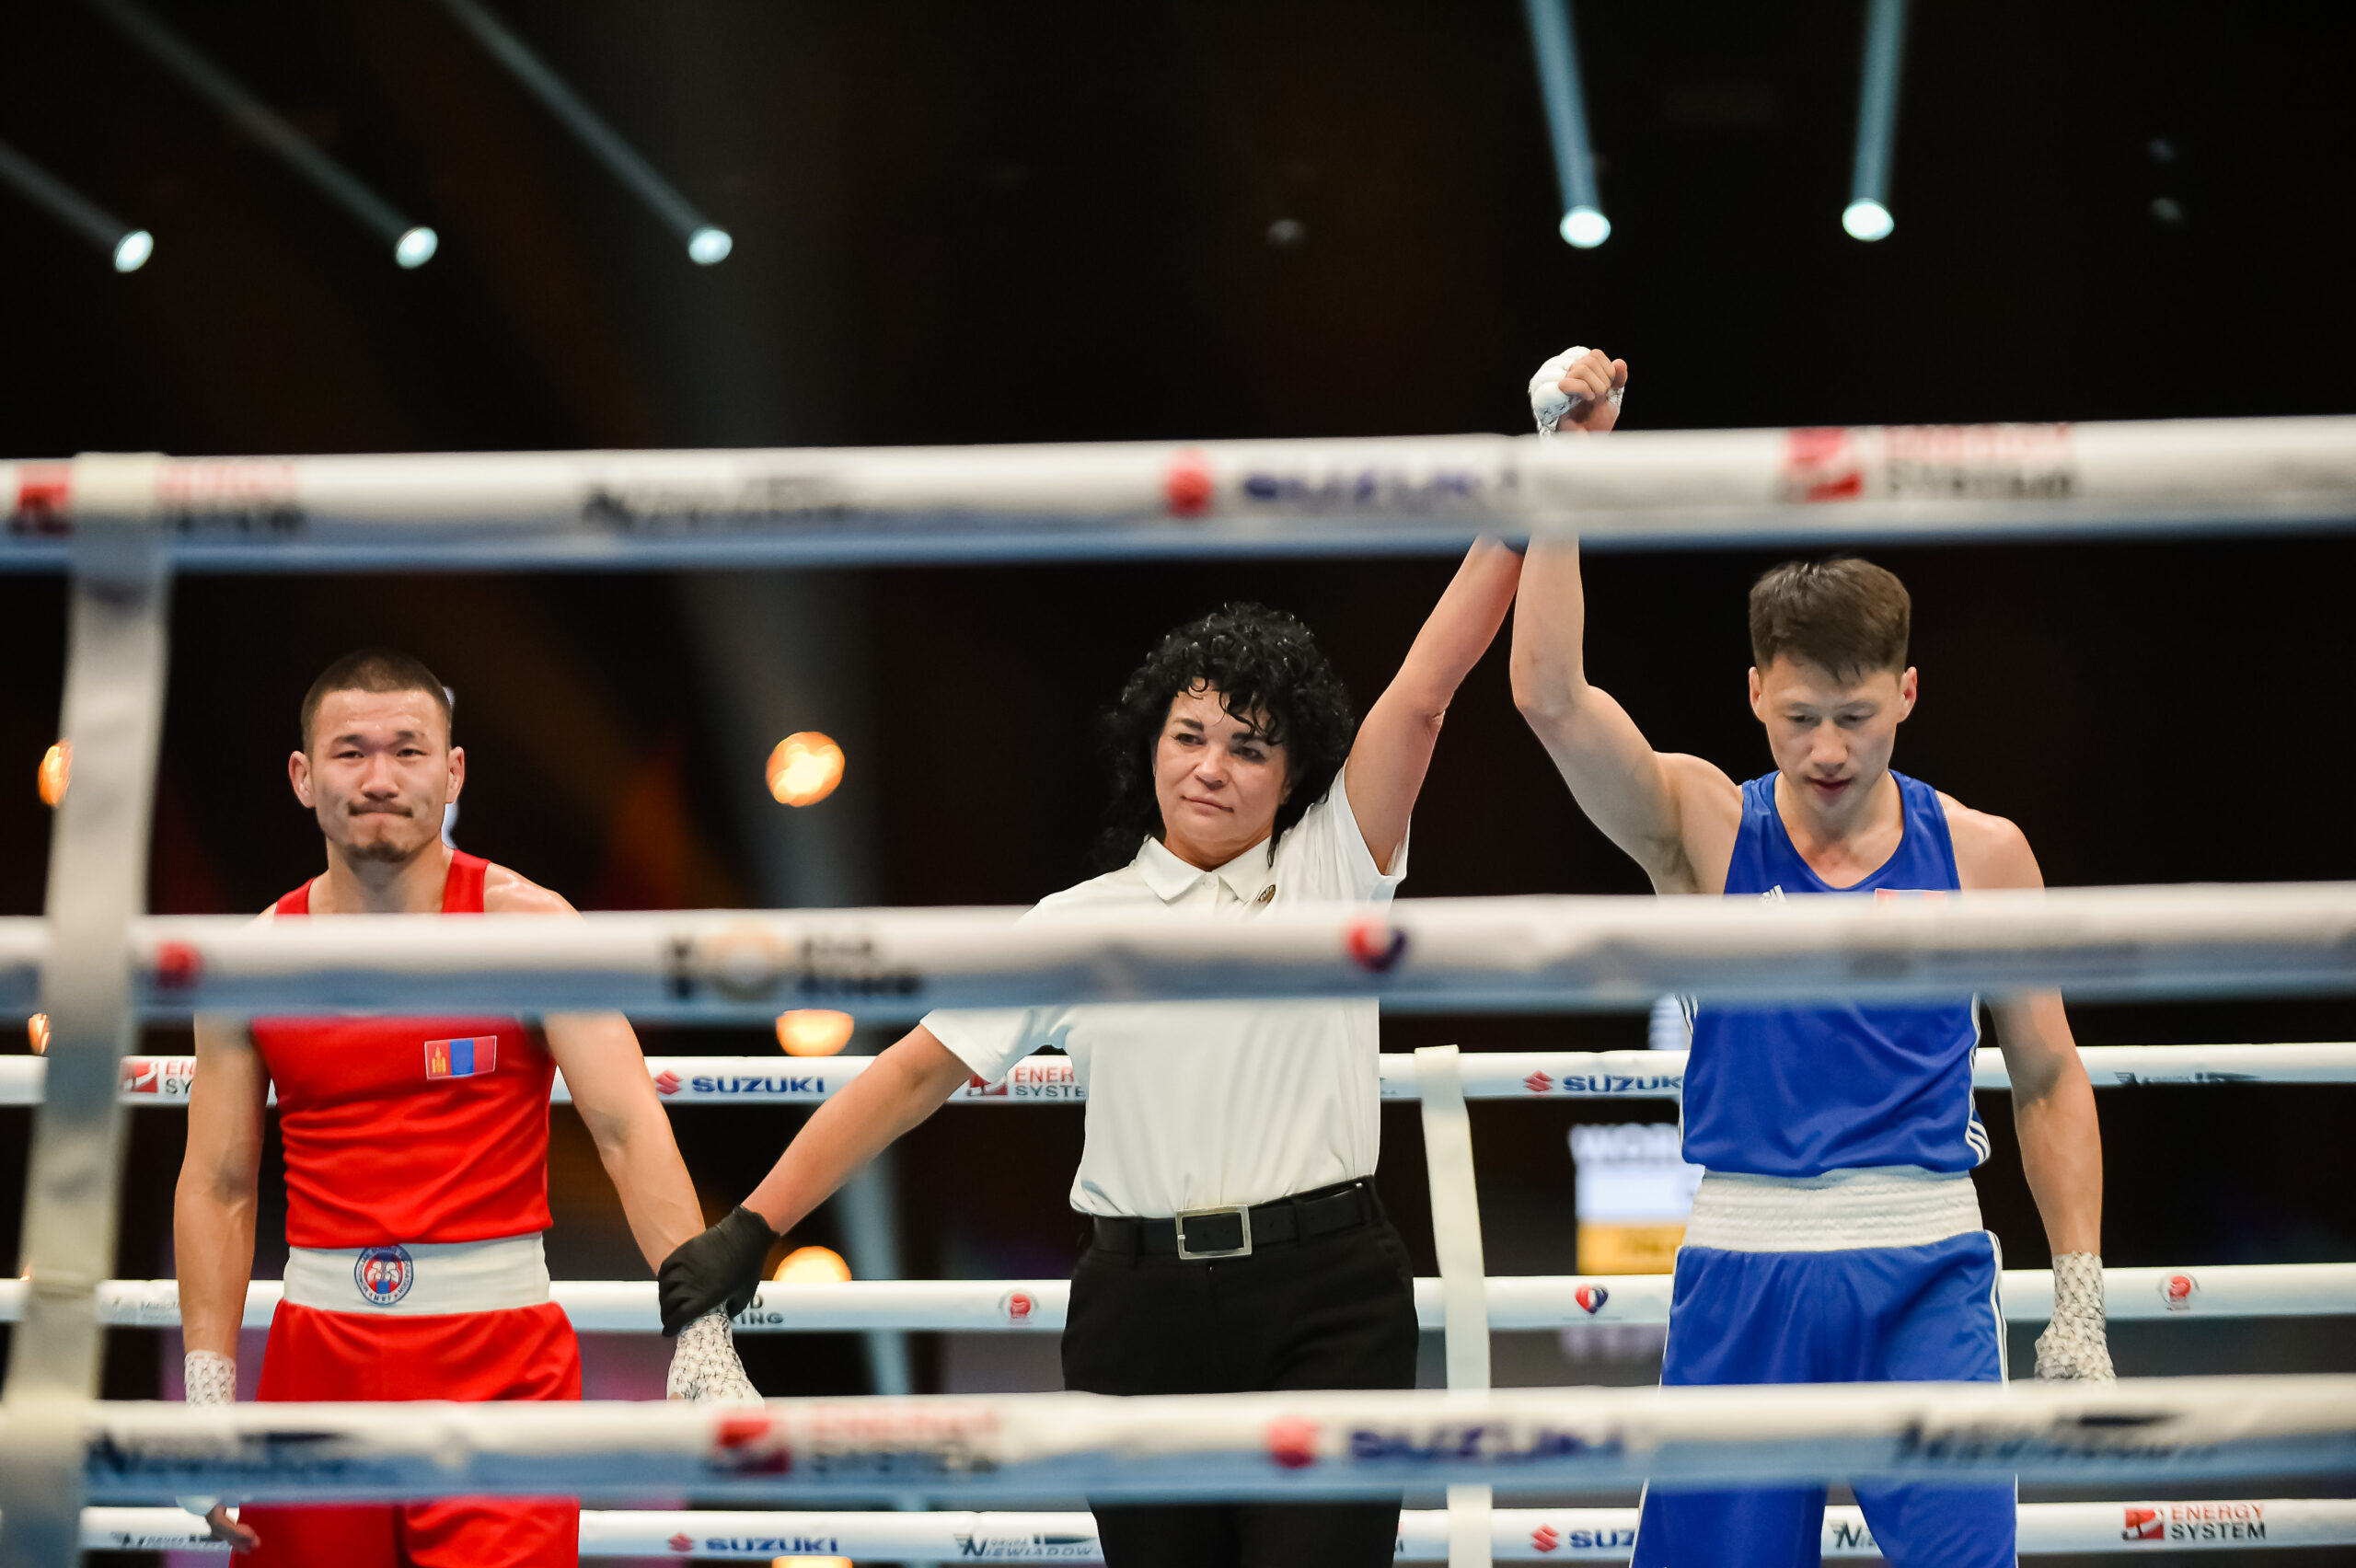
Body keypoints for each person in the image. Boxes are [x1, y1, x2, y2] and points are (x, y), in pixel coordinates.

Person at [653, 397, 1636, 1566]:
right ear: (1150, 744)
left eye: (1249, 746)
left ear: (1293, 776)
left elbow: (1425, 690)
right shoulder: (1078, 924)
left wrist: (1543, 471)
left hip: (1324, 1303)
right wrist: (751, 1226)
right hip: (1139, 1313)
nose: (1212, 767)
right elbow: (910, 1077)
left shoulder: (1333, 863)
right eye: (1190, 735)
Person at [1508, 349, 2109, 1568]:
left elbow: (2048, 1075)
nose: (1827, 749)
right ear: (1753, 695)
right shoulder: (1701, 827)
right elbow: (1550, 699)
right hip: (1744, 1260)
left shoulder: (1985, 854)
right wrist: (1560, 471)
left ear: (1908, 693)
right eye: (1798, 719)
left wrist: (2079, 1291)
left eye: (1855, 717)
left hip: (1924, 1266)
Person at [173, 648, 756, 1565]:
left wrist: (701, 1325)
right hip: (317, 1360)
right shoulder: (248, 963)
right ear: (302, 777)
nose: (378, 778)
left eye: (407, 750)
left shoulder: (530, 930)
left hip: (499, 1360)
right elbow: (218, 1182)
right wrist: (206, 1397)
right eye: (350, 751)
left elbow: (625, 1126)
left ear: (452, 773)